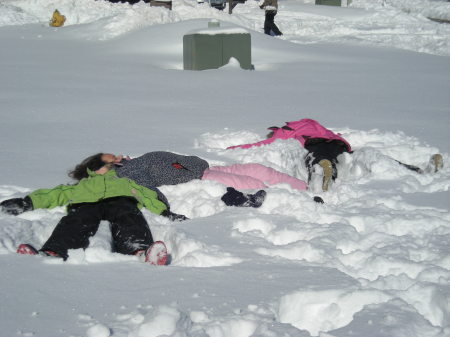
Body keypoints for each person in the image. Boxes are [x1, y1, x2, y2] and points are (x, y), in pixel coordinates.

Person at [0, 155, 182, 265]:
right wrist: (27, 202)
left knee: (129, 216)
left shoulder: (123, 181)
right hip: (86, 204)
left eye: (107, 165)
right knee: (75, 221)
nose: (106, 167)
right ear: (90, 170)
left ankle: (140, 251)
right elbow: (54, 194)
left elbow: (146, 195)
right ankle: (54, 251)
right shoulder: (81, 185)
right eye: (101, 165)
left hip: (120, 201)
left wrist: (164, 212)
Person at [227, 118, 444, 191]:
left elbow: (261, 145)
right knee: (369, 155)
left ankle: (322, 174)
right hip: (340, 144)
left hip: (317, 145)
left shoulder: (286, 130)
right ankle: (418, 170)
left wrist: (231, 150)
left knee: (316, 157)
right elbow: (333, 134)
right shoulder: (313, 124)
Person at [99, 151, 310, 208]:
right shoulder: (128, 172)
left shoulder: (132, 163)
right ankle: (295, 202)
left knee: (257, 169)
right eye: (114, 159)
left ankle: (304, 189)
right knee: (253, 184)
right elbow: (145, 188)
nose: (119, 156)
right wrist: (163, 207)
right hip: (199, 176)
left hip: (205, 167)